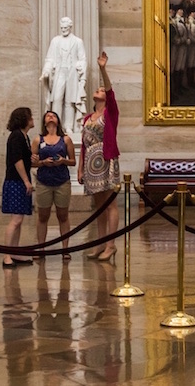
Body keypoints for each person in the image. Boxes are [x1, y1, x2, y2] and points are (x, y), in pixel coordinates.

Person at [79, 52, 120, 262]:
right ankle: (101, 243)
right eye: (98, 89)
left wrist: (103, 69)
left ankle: (111, 245)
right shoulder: (88, 117)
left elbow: (111, 91)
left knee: (110, 203)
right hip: (90, 163)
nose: (99, 90)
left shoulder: (110, 113)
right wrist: (80, 168)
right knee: (99, 206)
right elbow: (84, 144)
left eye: (101, 90)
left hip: (105, 159)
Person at [31, 110, 75, 257]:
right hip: (44, 181)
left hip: (62, 181)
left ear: (58, 121)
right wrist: (43, 162)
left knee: (63, 215)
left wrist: (63, 161)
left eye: (54, 115)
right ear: (44, 121)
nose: (51, 117)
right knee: (43, 216)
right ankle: (41, 248)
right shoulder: (38, 140)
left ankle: (65, 249)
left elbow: (73, 161)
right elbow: (32, 162)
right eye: (48, 115)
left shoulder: (65, 139)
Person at [1, 106, 35, 267]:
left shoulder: (24, 136)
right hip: (16, 181)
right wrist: (26, 181)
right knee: (16, 220)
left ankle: (14, 252)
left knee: (19, 220)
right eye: (30, 116)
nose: (32, 119)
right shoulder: (16, 136)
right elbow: (17, 160)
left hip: (19, 180)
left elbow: (24, 158)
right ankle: (7, 255)